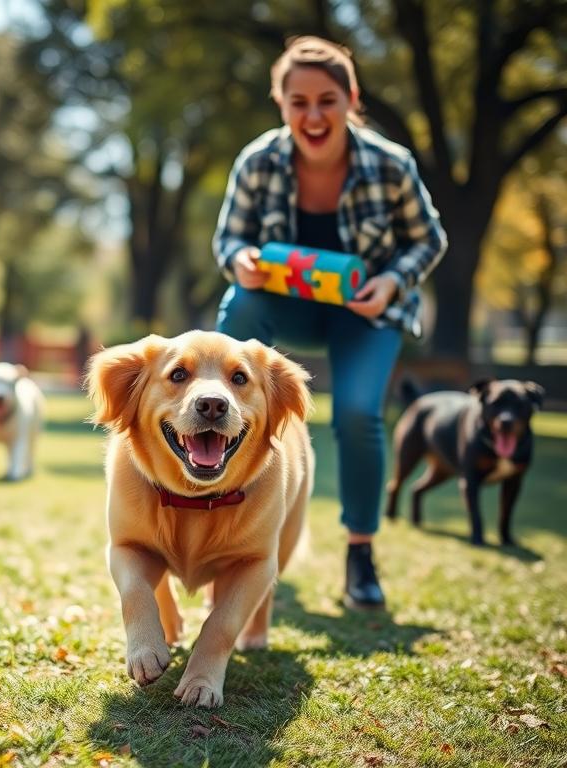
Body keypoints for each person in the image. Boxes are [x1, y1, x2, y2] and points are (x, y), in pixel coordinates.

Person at [213, 36, 447, 610]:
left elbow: (429, 239)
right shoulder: (258, 160)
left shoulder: (389, 164)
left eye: (326, 100)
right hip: (282, 306)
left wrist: (392, 282)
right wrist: (239, 258)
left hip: (364, 315)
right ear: (281, 103)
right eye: (298, 102)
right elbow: (229, 237)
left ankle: (360, 552)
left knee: (360, 414)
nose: (312, 116)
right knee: (238, 308)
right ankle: (215, 501)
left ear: (350, 99)